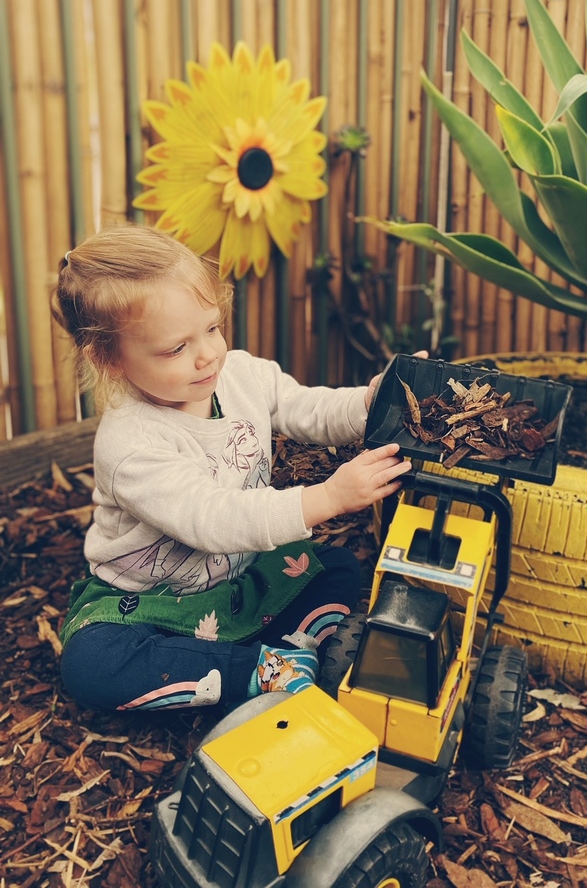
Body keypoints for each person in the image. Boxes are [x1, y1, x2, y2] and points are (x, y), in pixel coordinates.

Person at [51, 224, 412, 712]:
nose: (207, 354)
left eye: (213, 327)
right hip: (151, 607)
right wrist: (328, 498)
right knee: (93, 665)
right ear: (109, 359)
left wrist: (371, 403)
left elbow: (306, 408)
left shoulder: (238, 374)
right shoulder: (131, 444)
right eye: (176, 348)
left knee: (338, 567)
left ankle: (253, 661)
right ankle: (261, 671)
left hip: (241, 583)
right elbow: (214, 519)